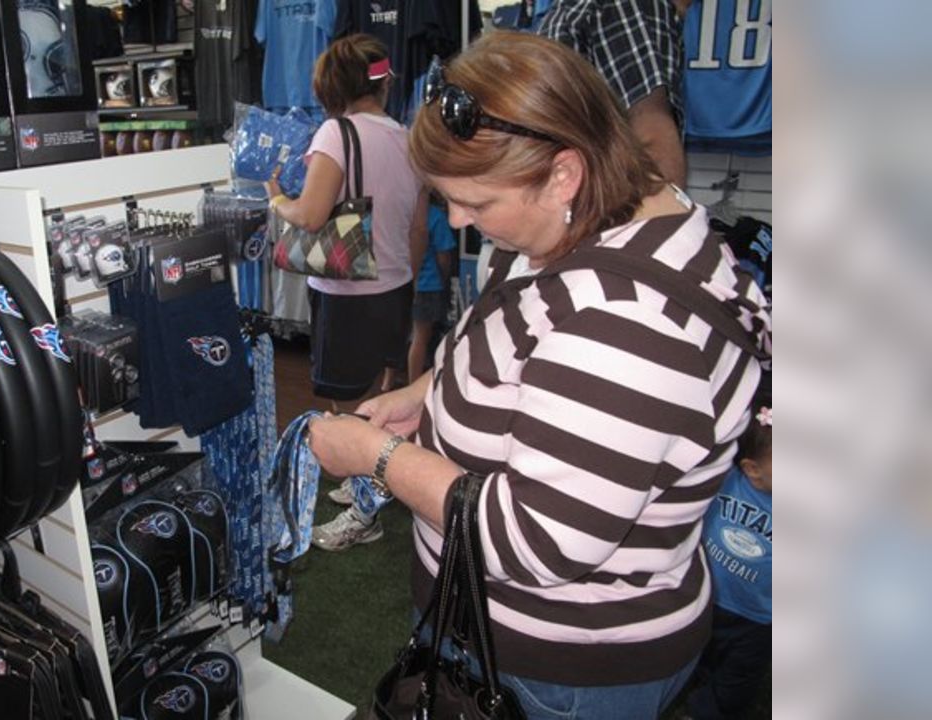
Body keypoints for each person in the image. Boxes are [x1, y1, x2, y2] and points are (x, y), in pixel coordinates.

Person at [305, 31, 769, 719]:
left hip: (554, 668)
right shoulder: (590, 221)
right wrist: (426, 393)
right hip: (498, 631)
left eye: (478, 204)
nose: (458, 219)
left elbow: (535, 539)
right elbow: (517, 348)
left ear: (563, 175)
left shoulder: (627, 325)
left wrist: (379, 457)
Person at [266, 33, 425, 551]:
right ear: (381, 83)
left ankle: (364, 509)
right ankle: (372, 482)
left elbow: (310, 215)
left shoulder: (335, 133)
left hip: (346, 288)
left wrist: (277, 200)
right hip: (395, 283)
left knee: (345, 398)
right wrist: (402, 273)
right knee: (383, 395)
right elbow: (418, 227)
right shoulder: (406, 136)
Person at [685, 389, 772, 720]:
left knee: (736, 683)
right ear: (752, 469)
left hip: (757, 619)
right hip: (707, 597)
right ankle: (694, 685)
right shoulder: (726, 481)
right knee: (697, 657)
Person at [537, 0, 688, 186]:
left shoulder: (620, 5)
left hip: (590, 199)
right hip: (582, 197)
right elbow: (652, 136)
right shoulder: (618, 6)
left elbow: (652, 137)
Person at [407, 193, 458, 386]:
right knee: (422, 337)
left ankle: (387, 381)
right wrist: (444, 278)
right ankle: (414, 384)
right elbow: (443, 255)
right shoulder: (435, 216)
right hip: (428, 283)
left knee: (404, 335)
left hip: (403, 281)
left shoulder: (404, 214)